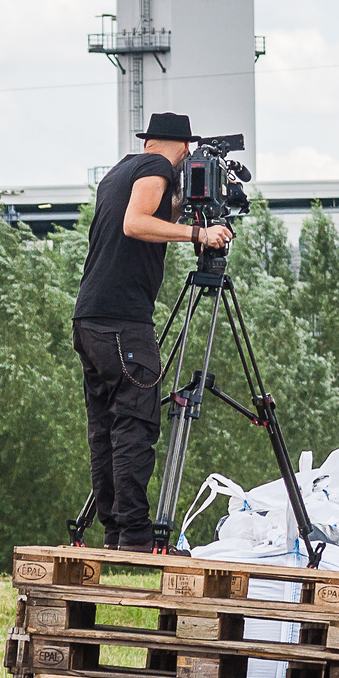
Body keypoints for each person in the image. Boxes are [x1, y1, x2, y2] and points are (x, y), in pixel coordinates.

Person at [71, 112, 232, 552]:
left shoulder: (121, 171)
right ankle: (138, 536)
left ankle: (116, 532)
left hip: (90, 319)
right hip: (123, 321)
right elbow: (136, 223)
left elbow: (151, 211)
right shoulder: (159, 168)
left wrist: (188, 210)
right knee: (136, 424)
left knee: (105, 427)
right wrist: (199, 233)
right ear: (181, 148)